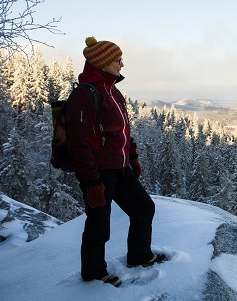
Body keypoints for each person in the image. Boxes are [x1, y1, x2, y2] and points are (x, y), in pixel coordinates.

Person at [66, 36, 166, 287]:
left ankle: (140, 255)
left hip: (120, 168)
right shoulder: (85, 95)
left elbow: (123, 129)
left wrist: (131, 156)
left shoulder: (112, 91)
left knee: (144, 208)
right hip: (98, 171)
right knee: (99, 224)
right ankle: (93, 274)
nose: (122, 64)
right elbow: (78, 142)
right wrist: (91, 181)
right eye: (118, 60)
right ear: (102, 63)